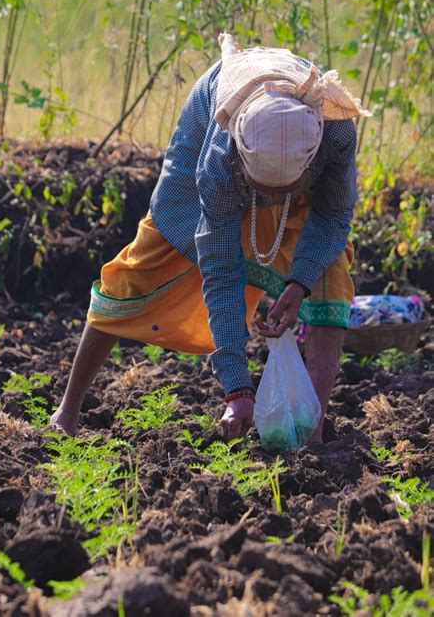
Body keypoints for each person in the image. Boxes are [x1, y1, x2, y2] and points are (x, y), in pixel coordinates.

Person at [50, 33, 370, 441]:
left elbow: (335, 214)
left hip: (295, 188)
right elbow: (221, 274)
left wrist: (300, 280)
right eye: (263, 188)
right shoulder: (219, 157)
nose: (269, 200)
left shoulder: (335, 130)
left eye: (281, 190)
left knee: (332, 276)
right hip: (205, 164)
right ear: (240, 157)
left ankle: (313, 429)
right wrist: (237, 388)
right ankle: (68, 410)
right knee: (134, 275)